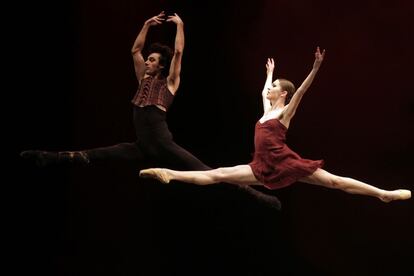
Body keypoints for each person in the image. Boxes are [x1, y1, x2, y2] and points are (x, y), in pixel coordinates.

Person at [20, 11, 282, 209]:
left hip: (163, 143)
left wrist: (180, 25)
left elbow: (179, 52)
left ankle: (257, 195)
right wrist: (146, 25)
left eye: (153, 59)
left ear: (161, 66)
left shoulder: (170, 83)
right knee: (96, 154)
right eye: (149, 58)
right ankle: (47, 157)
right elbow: (135, 49)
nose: (147, 59)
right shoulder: (143, 79)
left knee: (209, 173)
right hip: (142, 145)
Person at [140, 47, 411, 203]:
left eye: (274, 88)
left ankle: (383, 194)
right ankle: (168, 172)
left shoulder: (284, 114)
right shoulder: (266, 111)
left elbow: (301, 92)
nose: (268, 89)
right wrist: (269, 73)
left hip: (285, 163)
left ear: (282, 94)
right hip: (262, 166)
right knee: (218, 174)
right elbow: (263, 91)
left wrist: (315, 68)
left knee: (335, 182)